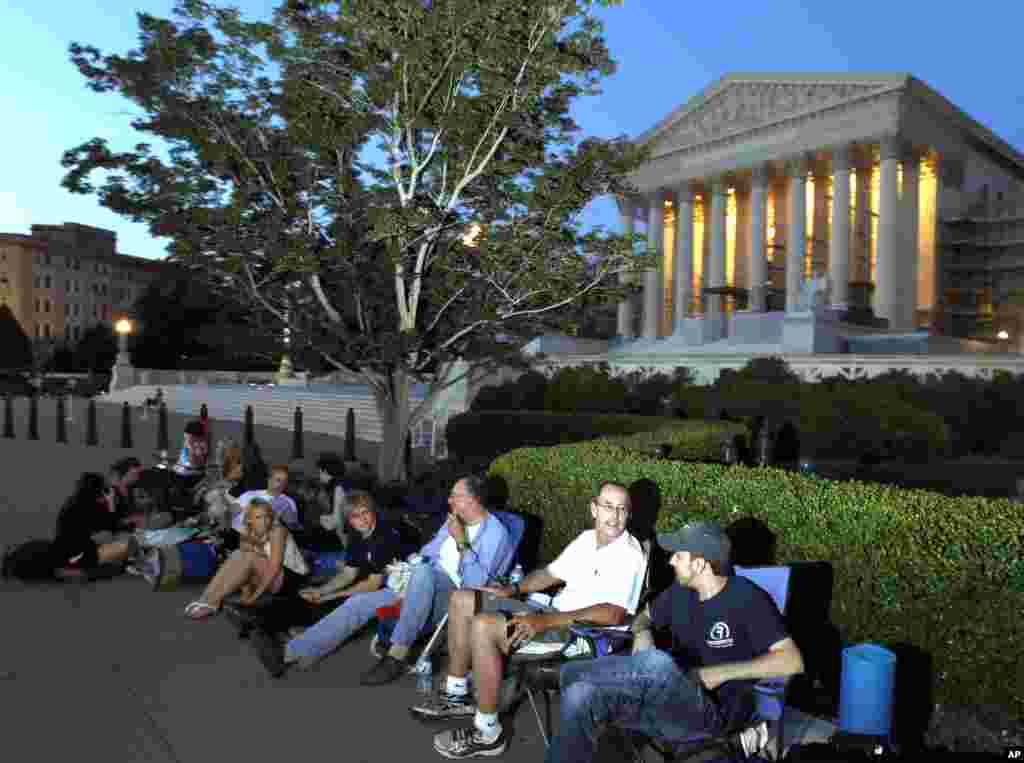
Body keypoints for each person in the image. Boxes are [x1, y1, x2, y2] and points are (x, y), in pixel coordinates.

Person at [413, 481, 647, 760]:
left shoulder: (629, 554)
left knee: (485, 625)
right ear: (594, 509)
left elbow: (614, 613)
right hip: (550, 614)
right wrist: (512, 590)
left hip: (581, 634)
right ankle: (456, 694)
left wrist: (545, 621)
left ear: (628, 514)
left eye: (622, 509)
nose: (615, 515)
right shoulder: (587, 539)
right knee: (463, 599)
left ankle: (488, 733)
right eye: (608, 506)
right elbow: (550, 573)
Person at [542, 521, 804, 763]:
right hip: (659, 696)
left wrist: (717, 673)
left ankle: (564, 673)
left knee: (657, 663)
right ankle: (571, 678)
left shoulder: (747, 598)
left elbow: (792, 660)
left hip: (708, 712)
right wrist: (643, 637)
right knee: (580, 694)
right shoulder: (679, 592)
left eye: (678, 555)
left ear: (700, 565)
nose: (670, 561)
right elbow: (641, 620)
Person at [250, 476, 510, 685]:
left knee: (422, 574)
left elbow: (477, 584)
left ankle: (397, 654)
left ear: (474, 500)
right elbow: (429, 552)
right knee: (359, 603)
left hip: (454, 596)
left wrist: (461, 541)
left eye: (456, 495)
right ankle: (287, 654)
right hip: (421, 582)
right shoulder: (452, 522)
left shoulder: (495, 534)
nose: (450, 500)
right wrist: (407, 566)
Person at [184, 497, 310, 620]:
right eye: (258, 517)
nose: (264, 521)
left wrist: (254, 596)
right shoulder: (248, 532)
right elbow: (244, 568)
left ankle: (214, 601)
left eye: (266, 516)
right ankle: (205, 598)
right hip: (271, 576)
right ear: (249, 520)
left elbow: (274, 567)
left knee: (249, 556)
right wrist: (246, 592)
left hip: (291, 579)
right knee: (238, 554)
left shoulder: (277, 530)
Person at [51, 472, 139, 573]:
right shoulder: (90, 506)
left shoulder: (74, 503)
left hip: (67, 552)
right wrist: (111, 504)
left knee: (117, 538)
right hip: (81, 555)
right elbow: (111, 528)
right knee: (122, 541)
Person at [230, 464, 300, 532]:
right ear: (269, 479)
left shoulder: (288, 502)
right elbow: (232, 511)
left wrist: (288, 519)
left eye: (284, 481)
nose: (282, 484)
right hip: (238, 534)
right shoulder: (250, 494)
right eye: (278, 480)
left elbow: (294, 527)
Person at [108, 456, 145, 527]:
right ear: (123, 473)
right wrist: (130, 519)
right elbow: (110, 521)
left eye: (138, 474)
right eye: (134, 474)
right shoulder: (111, 491)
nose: (137, 477)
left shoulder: (131, 489)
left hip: (130, 530)